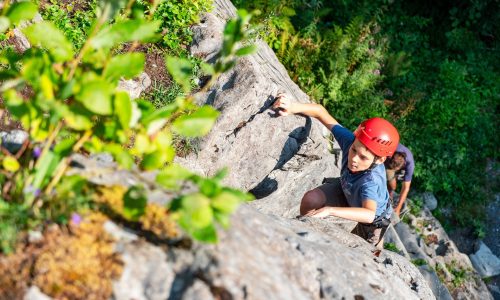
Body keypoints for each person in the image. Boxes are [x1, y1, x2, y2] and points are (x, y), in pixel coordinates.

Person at [273, 94, 399, 247]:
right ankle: (304, 236)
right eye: (353, 150)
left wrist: (330, 210)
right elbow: (320, 112)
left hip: (371, 221)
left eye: (363, 158)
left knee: (368, 252)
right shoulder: (351, 141)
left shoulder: (371, 181)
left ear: (379, 160)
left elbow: (369, 214)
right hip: (348, 189)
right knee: (311, 199)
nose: (354, 159)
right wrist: (294, 107)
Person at [384, 143, 414, 216]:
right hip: (385, 157)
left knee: (393, 186)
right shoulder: (389, 149)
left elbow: (406, 188)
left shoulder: (409, 165)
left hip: (394, 165)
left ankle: (388, 196)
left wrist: (398, 207)